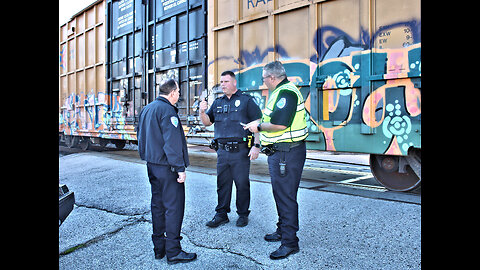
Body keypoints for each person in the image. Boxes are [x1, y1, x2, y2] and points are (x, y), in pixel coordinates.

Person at [243, 61, 308, 260]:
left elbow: (279, 124)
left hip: (286, 154)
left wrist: (258, 127)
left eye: (264, 79)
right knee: (281, 194)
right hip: (281, 154)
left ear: (272, 77)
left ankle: (290, 243)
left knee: (286, 197)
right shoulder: (280, 91)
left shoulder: (286, 93)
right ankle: (282, 230)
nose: (263, 82)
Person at [136, 79, 197, 265]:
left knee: (158, 205)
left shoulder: (147, 109)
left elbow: (139, 134)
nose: (179, 95)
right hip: (167, 168)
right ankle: (173, 251)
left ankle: (159, 248)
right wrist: (180, 169)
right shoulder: (168, 111)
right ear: (172, 93)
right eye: (178, 91)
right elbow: (172, 143)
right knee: (174, 208)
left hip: (152, 165)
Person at [199, 70, 262, 228]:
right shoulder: (218, 102)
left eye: (226, 81)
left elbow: (257, 122)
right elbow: (207, 122)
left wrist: (256, 145)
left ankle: (242, 214)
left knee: (242, 183)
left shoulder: (246, 100)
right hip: (222, 151)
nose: (222, 84)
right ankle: (221, 214)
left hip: (241, 151)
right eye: (221, 82)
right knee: (223, 183)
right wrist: (201, 111)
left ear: (234, 83)